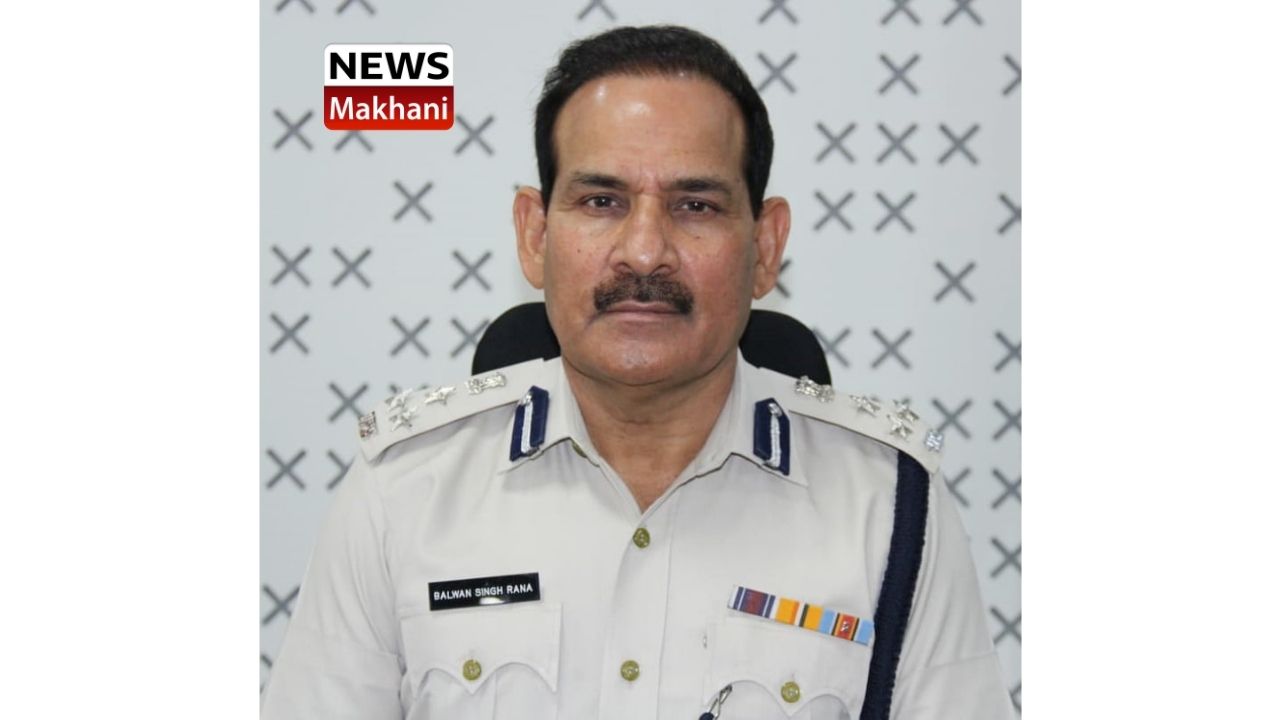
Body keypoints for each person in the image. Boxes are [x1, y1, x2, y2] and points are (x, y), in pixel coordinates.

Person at [261, 25, 1016, 720]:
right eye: (602, 201)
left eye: (695, 205)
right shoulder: (403, 492)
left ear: (765, 248)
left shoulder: (889, 504)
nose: (645, 251)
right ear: (535, 234)